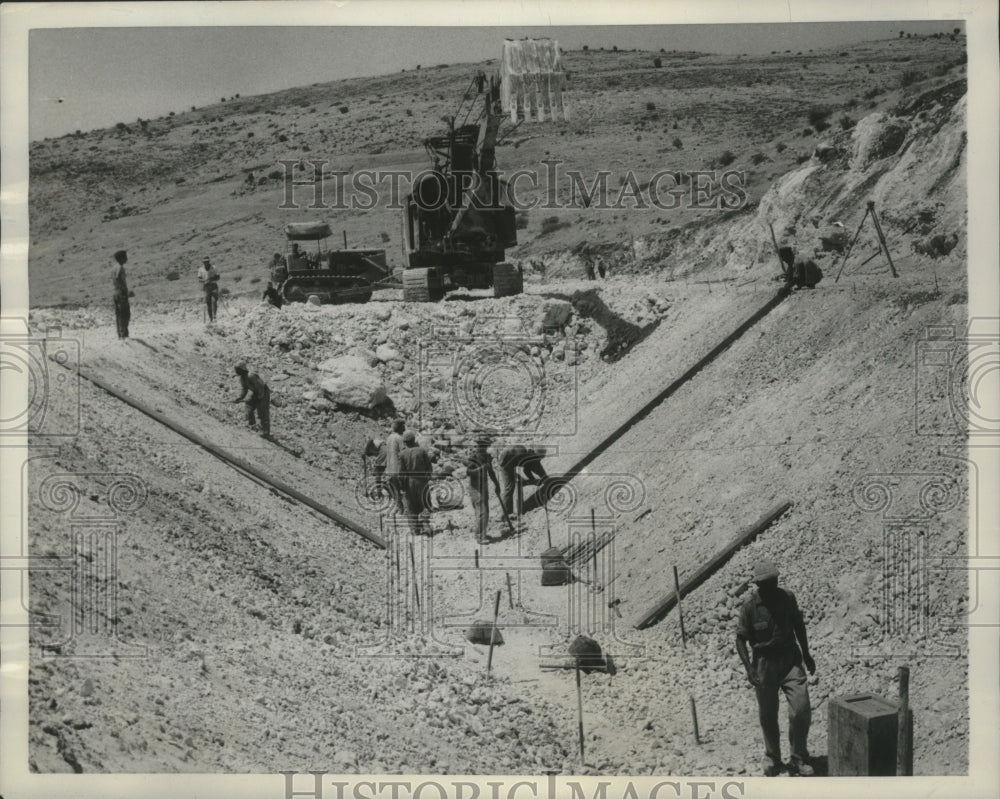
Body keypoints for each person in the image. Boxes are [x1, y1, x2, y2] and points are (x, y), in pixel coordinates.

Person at [736, 560, 816, 777]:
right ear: (758, 585)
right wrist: (749, 669)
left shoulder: (787, 597)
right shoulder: (750, 607)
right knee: (768, 715)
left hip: (790, 660)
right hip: (764, 664)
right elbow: (740, 639)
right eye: (767, 583)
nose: (773, 586)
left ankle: (798, 759)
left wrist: (807, 654)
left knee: (801, 708)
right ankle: (772, 757)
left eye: (774, 581)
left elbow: (799, 625)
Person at [462, 437, 497, 544]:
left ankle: (482, 534)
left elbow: (490, 471)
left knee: (485, 511)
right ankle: (480, 536)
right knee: (482, 512)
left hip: (484, 486)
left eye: (485, 446)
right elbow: (468, 472)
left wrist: (496, 484)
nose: (483, 448)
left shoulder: (486, 456)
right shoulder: (474, 457)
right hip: (475, 487)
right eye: (482, 446)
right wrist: (481, 469)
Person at [398, 431, 433, 535]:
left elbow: (401, 472)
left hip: (409, 482)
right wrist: (427, 478)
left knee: (411, 506)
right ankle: (426, 525)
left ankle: (414, 529)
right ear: (414, 440)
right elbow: (429, 468)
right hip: (422, 481)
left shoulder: (402, 454)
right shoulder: (422, 451)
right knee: (424, 503)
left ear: (405, 442)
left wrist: (402, 486)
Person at [232, 363, 271, 437]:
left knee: (262, 411)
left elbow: (261, 387)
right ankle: (252, 425)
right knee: (248, 406)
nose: (236, 371)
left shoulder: (251, 376)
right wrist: (239, 398)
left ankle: (265, 431)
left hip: (264, 392)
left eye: (238, 369)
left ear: (242, 369)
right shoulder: (242, 378)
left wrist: (260, 398)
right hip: (256, 392)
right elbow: (245, 390)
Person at [496, 443, 528, 516]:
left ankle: (509, 512)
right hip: (504, 464)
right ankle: (505, 514)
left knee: (514, 484)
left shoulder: (520, 451)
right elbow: (504, 465)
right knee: (509, 488)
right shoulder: (518, 453)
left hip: (508, 462)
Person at [385, 419, 406, 516]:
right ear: (400, 427)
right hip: (398, 468)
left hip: (390, 468)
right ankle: (404, 508)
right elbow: (403, 453)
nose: (404, 429)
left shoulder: (389, 438)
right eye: (403, 427)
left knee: (395, 489)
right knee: (404, 488)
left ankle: (399, 507)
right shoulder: (399, 438)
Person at [111, 249, 130, 339]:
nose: (127, 258)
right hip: (121, 293)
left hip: (115, 292)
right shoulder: (119, 267)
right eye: (125, 257)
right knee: (125, 314)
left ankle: (120, 334)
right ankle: (124, 335)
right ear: (122, 258)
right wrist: (123, 289)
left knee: (119, 314)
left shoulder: (114, 267)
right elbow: (118, 277)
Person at [198, 257, 221, 322]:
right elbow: (199, 279)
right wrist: (205, 280)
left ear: (209, 261)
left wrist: (212, 279)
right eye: (205, 262)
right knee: (208, 303)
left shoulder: (214, 267)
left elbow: (218, 277)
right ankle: (210, 319)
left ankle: (214, 316)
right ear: (203, 262)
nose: (206, 263)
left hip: (213, 285)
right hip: (206, 287)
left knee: (214, 300)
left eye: (207, 262)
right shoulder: (200, 269)